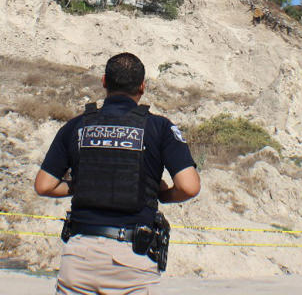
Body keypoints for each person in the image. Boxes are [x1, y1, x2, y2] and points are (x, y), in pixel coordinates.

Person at [34, 52, 200, 295]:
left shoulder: (76, 126)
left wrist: (80, 184)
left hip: (80, 255)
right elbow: (189, 186)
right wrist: (163, 194)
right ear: (143, 86)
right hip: (132, 259)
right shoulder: (160, 127)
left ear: (104, 82)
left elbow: (44, 185)